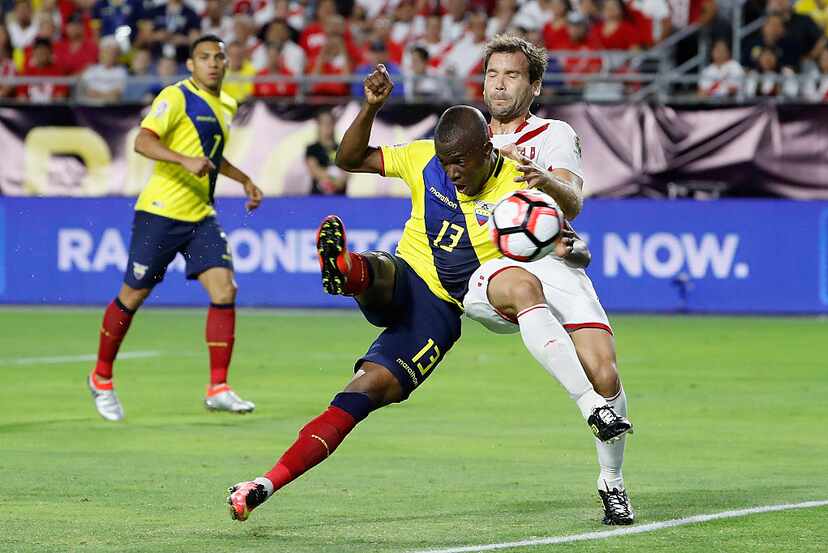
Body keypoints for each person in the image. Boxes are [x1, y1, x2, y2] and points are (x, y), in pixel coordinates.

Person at [226, 64, 628, 522]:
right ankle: (347, 270)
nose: (452, 171)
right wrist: (371, 106)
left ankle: (264, 483)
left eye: (462, 162)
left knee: (364, 392)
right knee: (380, 270)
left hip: (440, 312)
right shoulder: (423, 159)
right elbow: (349, 159)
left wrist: (569, 249)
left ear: (487, 150)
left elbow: (565, 241)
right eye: (446, 161)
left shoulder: (519, 185)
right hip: (406, 275)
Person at [461, 34, 635, 525]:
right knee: (519, 286)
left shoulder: (554, 134)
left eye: (512, 76)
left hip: (551, 260)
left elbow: (573, 202)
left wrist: (546, 179)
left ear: (534, 86)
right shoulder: (466, 137)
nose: (499, 85)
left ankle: (612, 482)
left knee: (606, 373)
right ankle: (589, 410)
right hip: (488, 265)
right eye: (493, 74)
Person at [86, 35, 263, 422]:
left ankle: (218, 387)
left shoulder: (227, 103)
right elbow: (142, 141)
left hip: (200, 214)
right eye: (205, 58)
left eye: (219, 57)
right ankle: (101, 377)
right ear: (191, 64)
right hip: (161, 212)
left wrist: (245, 179)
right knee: (132, 296)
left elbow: (212, 156)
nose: (213, 64)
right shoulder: (176, 97)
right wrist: (182, 160)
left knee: (225, 288)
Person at [305, 110, 348, 194]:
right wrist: (331, 180)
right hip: (318, 197)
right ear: (319, 125)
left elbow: (347, 172)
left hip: (340, 198)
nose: (327, 126)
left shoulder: (342, 149)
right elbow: (314, 170)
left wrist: (339, 182)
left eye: (329, 123)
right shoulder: (312, 149)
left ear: (334, 124)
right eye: (324, 123)